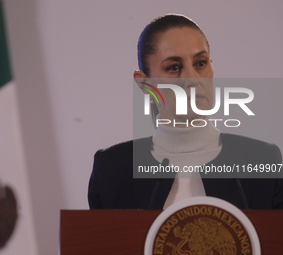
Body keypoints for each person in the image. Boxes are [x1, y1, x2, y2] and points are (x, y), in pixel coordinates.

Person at [88, 14, 283, 210]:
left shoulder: (262, 161)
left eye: (200, 63)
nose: (192, 79)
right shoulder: (111, 169)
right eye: (174, 67)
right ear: (145, 83)